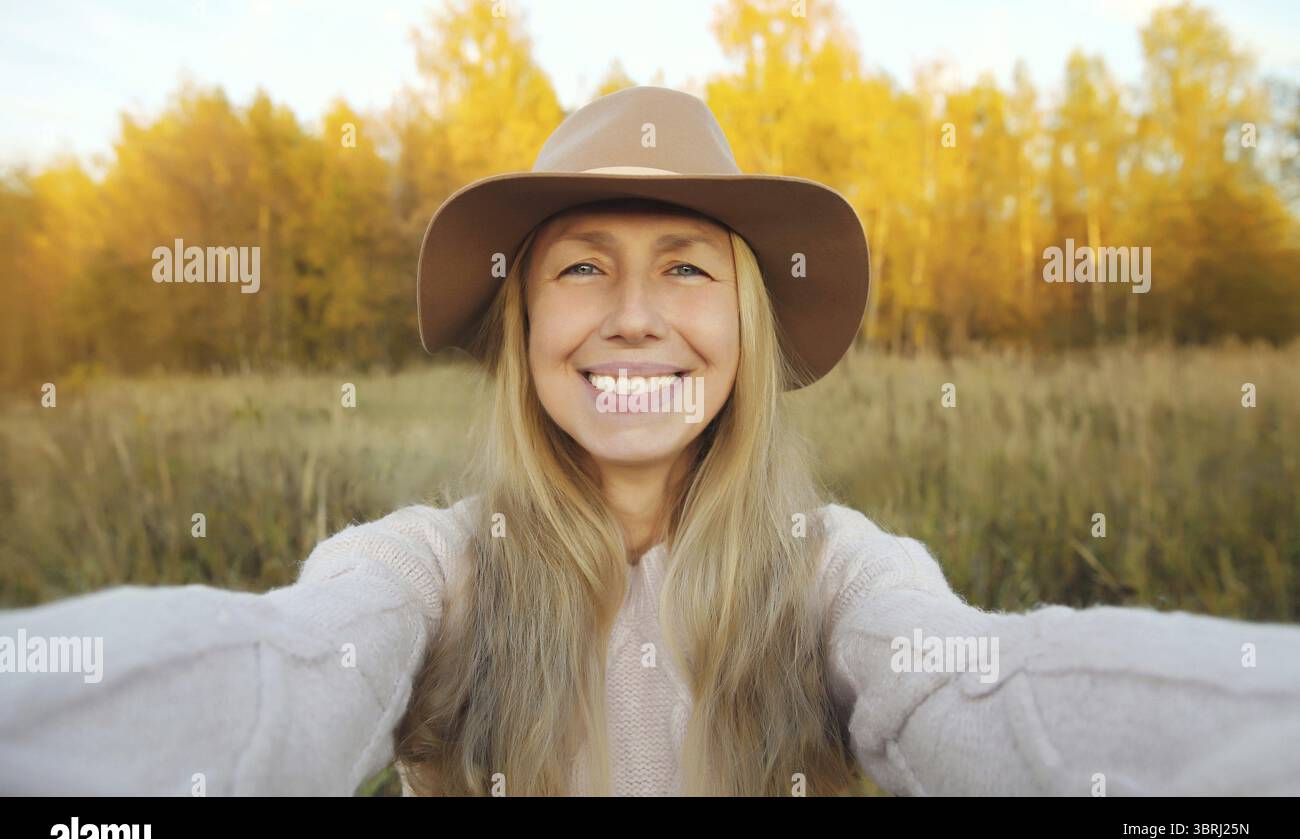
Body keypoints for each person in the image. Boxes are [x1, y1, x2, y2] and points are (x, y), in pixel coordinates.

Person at [1, 87, 1297, 797]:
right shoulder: (434, 575)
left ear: (741, 322)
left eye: (684, 268)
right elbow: (284, 669)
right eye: (581, 269)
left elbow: (977, 688)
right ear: (523, 326)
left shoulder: (837, 574)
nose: (632, 318)